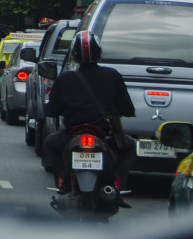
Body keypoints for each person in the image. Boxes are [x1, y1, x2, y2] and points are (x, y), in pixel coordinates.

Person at [44, 31, 135, 188]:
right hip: (105, 135)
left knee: (49, 143)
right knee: (131, 146)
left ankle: (62, 185)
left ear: (74, 55)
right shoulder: (112, 76)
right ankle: (119, 187)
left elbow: (52, 111)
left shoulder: (65, 79)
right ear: (98, 53)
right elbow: (127, 108)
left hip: (71, 134)